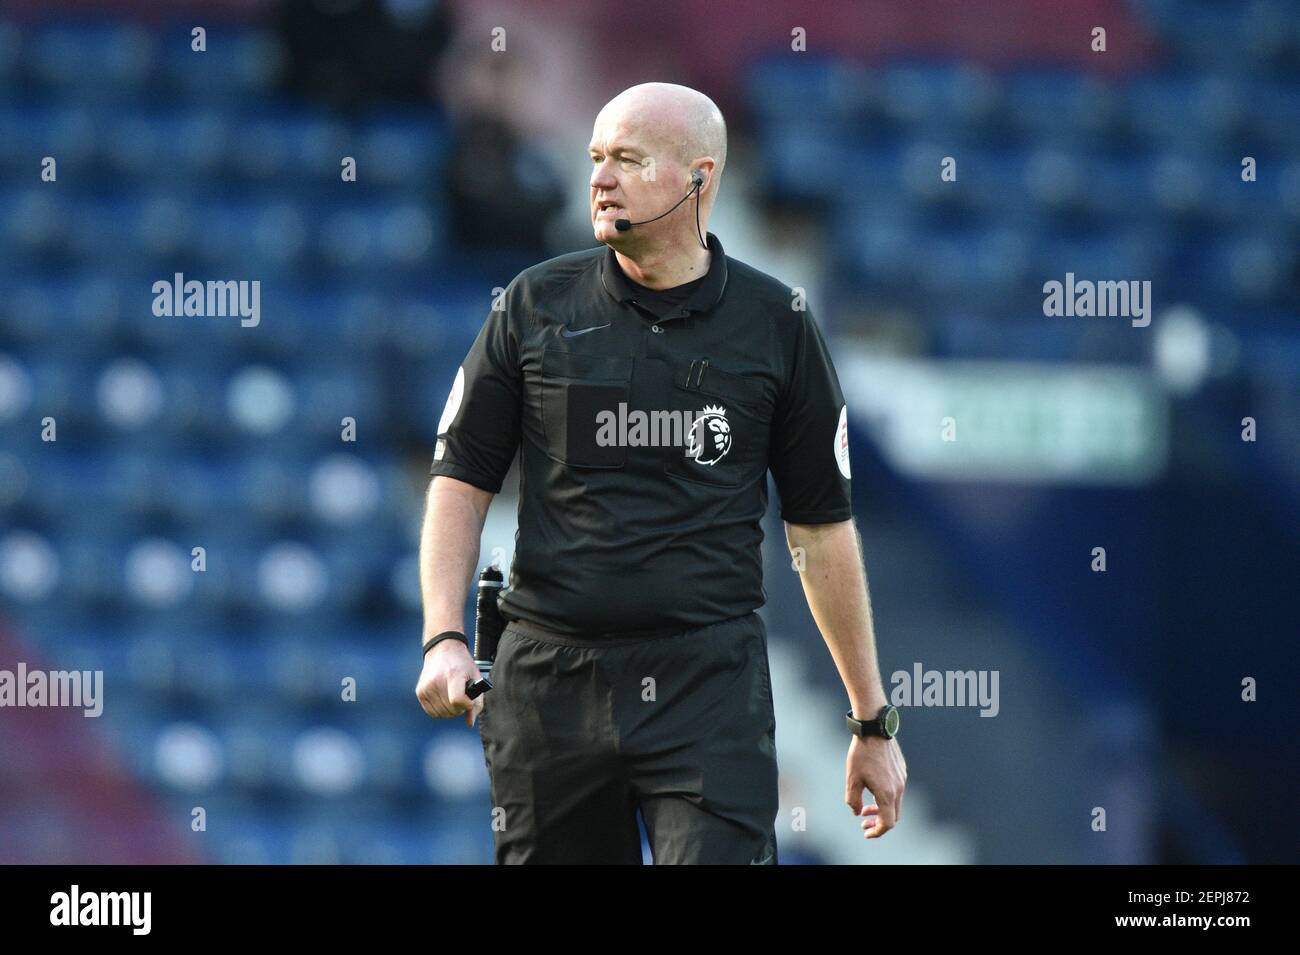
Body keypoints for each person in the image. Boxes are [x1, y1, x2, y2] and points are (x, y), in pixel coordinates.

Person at [416, 82, 906, 864]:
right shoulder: (532, 305)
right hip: (549, 682)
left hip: (707, 687)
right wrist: (443, 634)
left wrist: (870, 720)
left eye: (628, 160)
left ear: (698, 179)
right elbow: (459, 480)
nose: (600, 179)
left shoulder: (778, 324)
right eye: (595, 159)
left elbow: (819, 529)